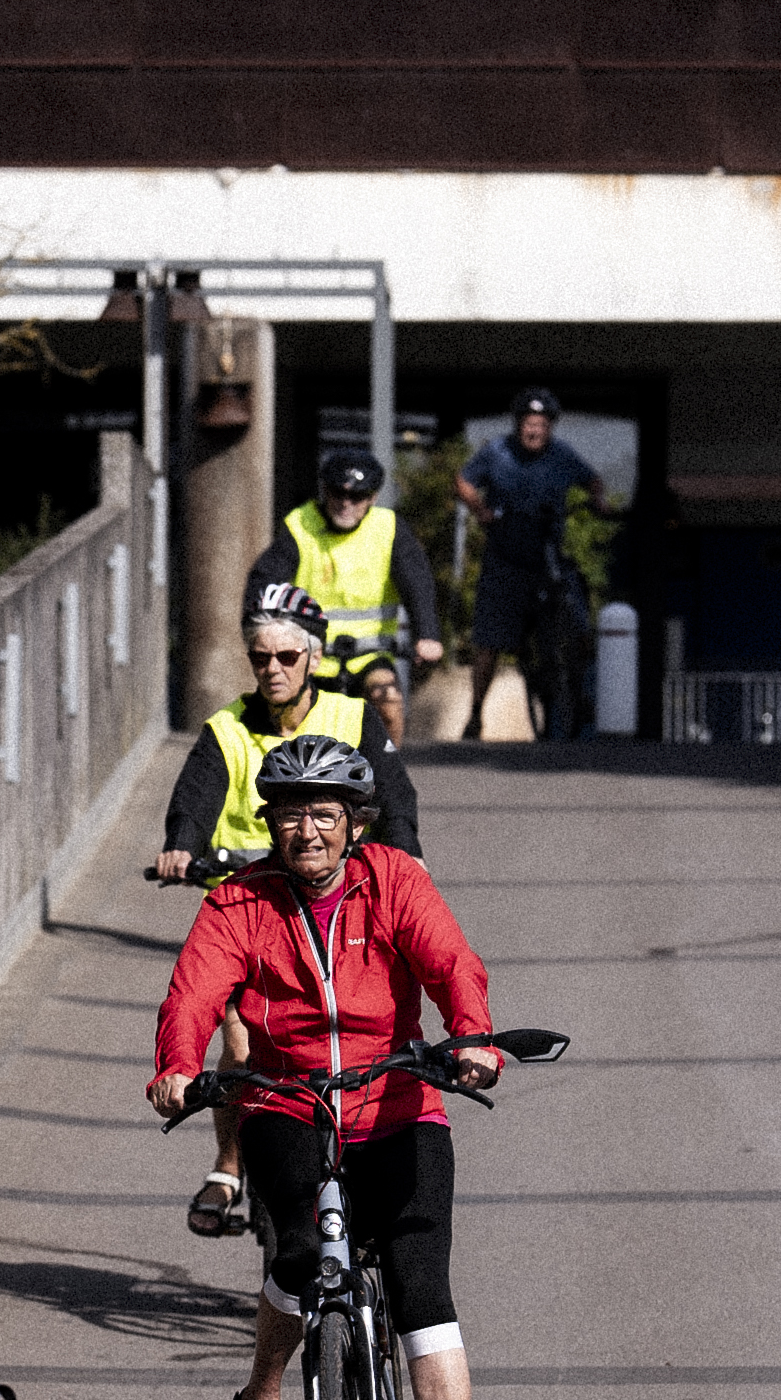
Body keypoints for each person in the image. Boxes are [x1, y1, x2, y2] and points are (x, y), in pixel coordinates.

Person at [146, 737, 505, 1400]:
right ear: (269, 822)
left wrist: (473, 1038)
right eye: (289, 815)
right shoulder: (239, 901)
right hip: (288, 1105)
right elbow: (194, 992)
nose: (305, 831)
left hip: (398, 1104)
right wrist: (177, 1065)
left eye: (323, 814)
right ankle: (263, 1394)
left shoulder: (393, 881)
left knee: (424, 1294)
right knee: (300, 1255)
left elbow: (450, 961)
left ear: (353, 823)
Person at [153, 583, 423, 1236]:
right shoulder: (226, 729)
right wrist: (182, 845)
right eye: (260, 658)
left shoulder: (352, 717)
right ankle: (229, 1163)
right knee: (241, 1041)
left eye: (286, 657)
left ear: (314, 659)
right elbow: (195, 797)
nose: (272, 669)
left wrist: (407, 856)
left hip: (335, 904)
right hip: (252, 911)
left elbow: (394, 799)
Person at [247, 448, 446, 740]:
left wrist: (427, 634)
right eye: (337, 494)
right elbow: (264, 580)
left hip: (370, 656)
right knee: (287, 723)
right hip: (309, 658)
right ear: (324, 491)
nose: (345, 503)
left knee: (389, 701)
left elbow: (417, 583)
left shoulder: (388, 528)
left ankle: (388, 769)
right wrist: (258, 629)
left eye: (357, 497)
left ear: (373, 498)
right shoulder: (300, 525)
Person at [453, 388, 606, 741]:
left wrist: (598, 501)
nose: (533, 430)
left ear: (550, 427)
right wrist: (480, 509)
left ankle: (578, 691)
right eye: (528, 423)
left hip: (548, 557)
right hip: (504, 560)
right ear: (518, 424)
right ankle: (476, 713)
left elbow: (593, 480)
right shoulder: (497, 452)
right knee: (489, 640)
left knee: (577, 617)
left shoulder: (562, 455)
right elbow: (463, 481)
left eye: (540, 424)